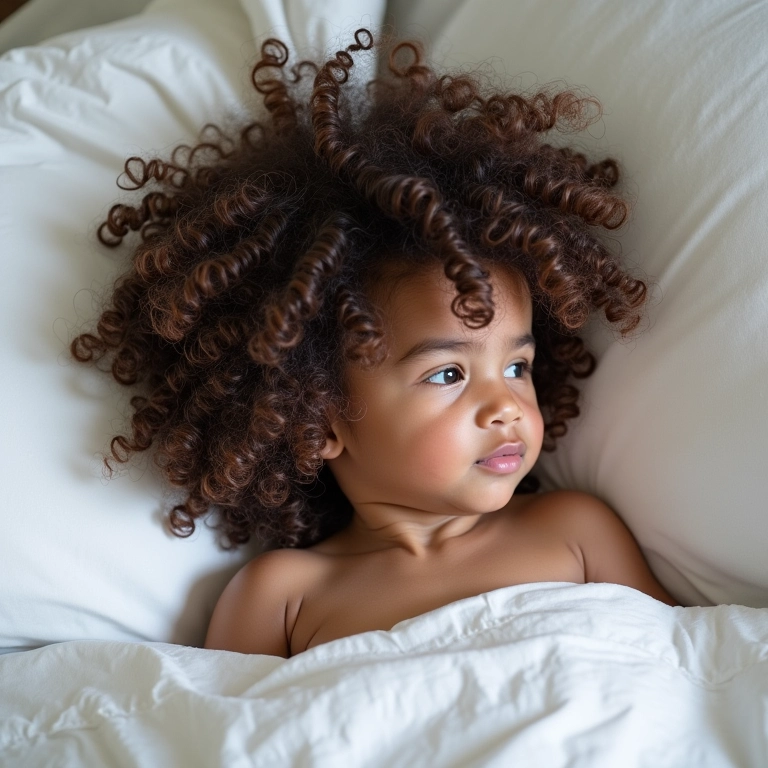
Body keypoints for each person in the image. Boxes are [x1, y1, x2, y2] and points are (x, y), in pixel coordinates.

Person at [71, 28, 678, 660]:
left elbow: (688, 664)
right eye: (448, 374)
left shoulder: (575, 530)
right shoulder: (282, 597)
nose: (506, 405)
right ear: (320, 416)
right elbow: (225, 738)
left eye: (517, 365)